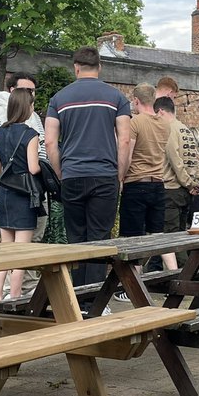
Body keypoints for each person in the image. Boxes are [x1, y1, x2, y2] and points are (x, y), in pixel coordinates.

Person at [45, 46, 132, 304]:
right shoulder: (116, 97)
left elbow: (50, 143)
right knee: (99, 239)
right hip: (105, 175)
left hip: (72, 175)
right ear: (100, 67)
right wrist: (120, 174)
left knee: (76, 240)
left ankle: (76, 300)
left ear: (76, 67)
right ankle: (95, 302)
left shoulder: (58, 99)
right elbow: (125, 140)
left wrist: (62, 173)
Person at [0, 72, 47, 297]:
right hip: (24, 196)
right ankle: (17, 295)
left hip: (6, 194)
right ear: (26, 108)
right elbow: (33, 168)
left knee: (5, 250)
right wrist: (44, 170)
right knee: (22, 252)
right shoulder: (30, 134)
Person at [121, 83, 175, 275]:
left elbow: (128, 154)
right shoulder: (164, 124)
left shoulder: (134, 122)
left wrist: (120, 177)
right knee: (158, 233)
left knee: (132, 238)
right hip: (158, 183)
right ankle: (175, 273)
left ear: (136, 101)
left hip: (136, 183)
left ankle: (133, 285)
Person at [156, 95, 199, 237]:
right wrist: (196, 183)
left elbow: (175, 161)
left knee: (171, 237)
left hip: (172, 189)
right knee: (182, 234)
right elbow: (194, 159)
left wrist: (189, 184)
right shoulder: (186, 130)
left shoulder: (168, 129)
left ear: (161, 111)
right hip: (186, 192)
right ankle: (185, 260)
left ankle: (180, 261)